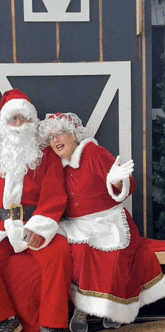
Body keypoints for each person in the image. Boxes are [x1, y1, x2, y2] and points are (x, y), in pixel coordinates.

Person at [38, 112, 165, 332]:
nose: (56, 140)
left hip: (108, 220)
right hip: (76, 224)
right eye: (51, 137)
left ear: (74, 134)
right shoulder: (55, 164)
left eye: (60, 134)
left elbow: (129, 186)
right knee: (74, 253)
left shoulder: (94, 153)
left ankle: (114, 307)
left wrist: (117, 181)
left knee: (113, 255)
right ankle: (82, 308)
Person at [0, 90, 72, 332]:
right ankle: (4, 317)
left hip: (35, 222)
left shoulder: (47, 157)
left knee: (59, 254)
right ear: (4, 124)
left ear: (33, 123)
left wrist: (38, 229)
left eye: (24, 119)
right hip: (0, 227)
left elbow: (55, 197)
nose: (19, 125)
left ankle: (53, 324)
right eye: (14, 119)